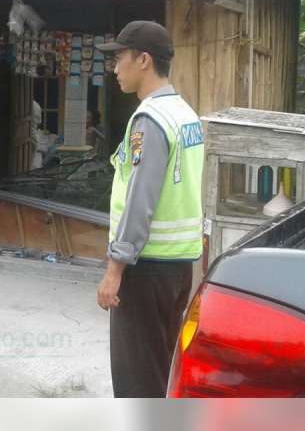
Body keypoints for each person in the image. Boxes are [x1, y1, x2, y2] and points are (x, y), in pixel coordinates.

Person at [95, 21, 204, 398]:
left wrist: (115, 269)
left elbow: (141, 199)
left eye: (119, 58)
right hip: (178, 267)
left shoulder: (151, 120)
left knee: (137, 383)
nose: (114, 68)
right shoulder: (186, 114)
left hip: (146, 270)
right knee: (160, 373)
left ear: (143, 60)